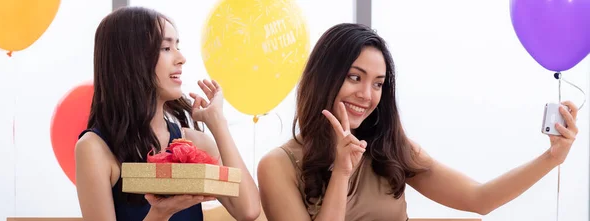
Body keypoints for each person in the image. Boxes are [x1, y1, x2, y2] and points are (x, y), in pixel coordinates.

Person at [257, 23, 579, 221]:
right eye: (355, 77)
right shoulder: (277, 165)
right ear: (324, 77)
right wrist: (342, 172)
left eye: (378, 83)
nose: (367, 95)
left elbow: (480, 199)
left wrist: (552, 157)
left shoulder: (389, 147)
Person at [75, 6, 261, 221]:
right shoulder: (94, 148)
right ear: (130, 59)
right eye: (166, 48)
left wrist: (218, 123)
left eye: (177, 46)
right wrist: (161, 213)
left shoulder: (194, 142)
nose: (181, 58)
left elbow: (248, 211)